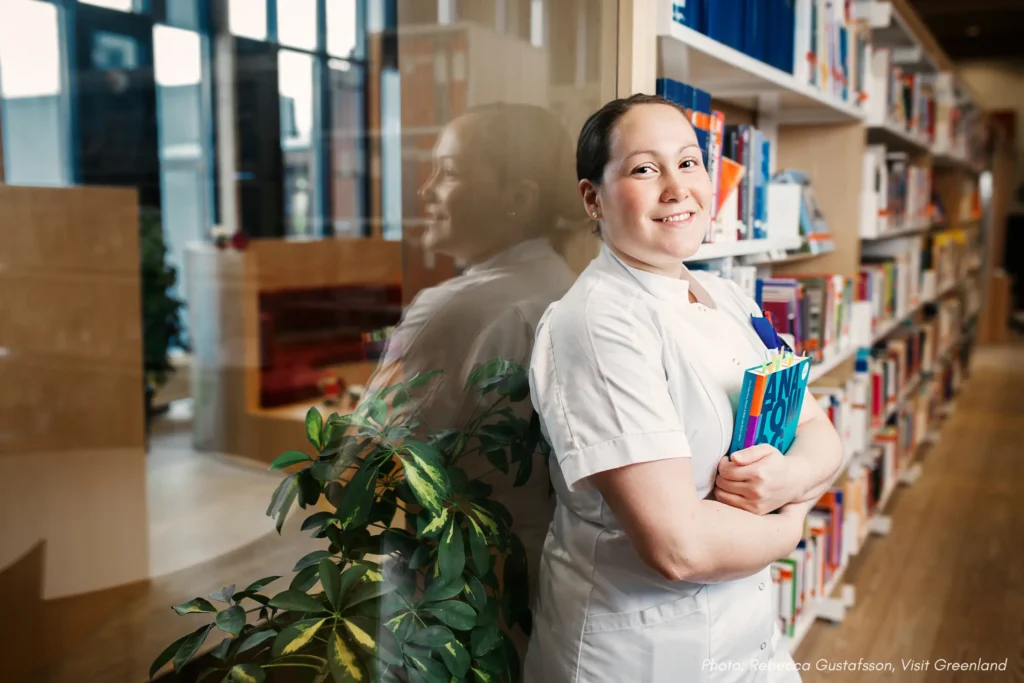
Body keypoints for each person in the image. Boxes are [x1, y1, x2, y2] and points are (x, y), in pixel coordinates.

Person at [523, 94, 845, 682]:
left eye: (690, 162)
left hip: (748, 634)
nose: (678, 188)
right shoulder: (598, 324)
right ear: (592, 198)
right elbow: (680, 549)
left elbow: (821, 431)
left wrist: (787, 479)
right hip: (642, 651)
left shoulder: (726, 296)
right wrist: (795, 521)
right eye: (645, 169)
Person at [363, 102, 585, 646]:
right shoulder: (569, 284)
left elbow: (361, 468)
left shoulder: (454, 308)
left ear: (518, 199)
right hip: (544, 581)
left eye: (451, 171)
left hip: (449, 592)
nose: (427, 191)